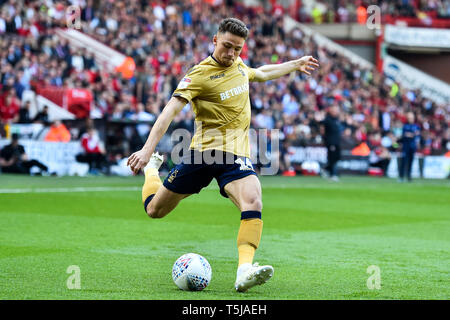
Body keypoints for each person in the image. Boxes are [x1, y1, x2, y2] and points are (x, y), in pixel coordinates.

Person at [127, 18, 319, 292]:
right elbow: (170, 111)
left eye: (237, 49)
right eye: (227, 46)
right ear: (215, 40)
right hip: (203, 154)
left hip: (236, 154)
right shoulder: (199, 74)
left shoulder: (239, 65)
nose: (231, 54)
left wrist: (294, 64)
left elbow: (261, 73)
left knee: (253, 200)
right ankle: (152, 172)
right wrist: (147, 152)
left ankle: (244, 271)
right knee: (154, 210)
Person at [320, 105, 342, 181]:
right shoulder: (328, 119)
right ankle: (333, 174)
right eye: (335, 110)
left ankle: (325, 169)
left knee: (337, 157)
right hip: (330, 142)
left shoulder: (336, 119)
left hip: (337, 142)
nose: (336, 112)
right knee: (332, 158)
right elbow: (322, 124)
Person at [398, 112, 420, 182]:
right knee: (404, 161)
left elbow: (417, 135)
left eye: (412, 118)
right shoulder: (405, 126)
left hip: (413, 147)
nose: (411, 119)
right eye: (410, 118)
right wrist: (413, 134)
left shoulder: (416, 126)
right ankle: (401, 176)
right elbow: (405, 135)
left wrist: (411, 135)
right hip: (406, 146)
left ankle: (409, 176)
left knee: (411, 162)